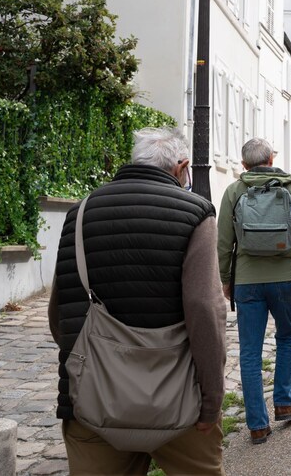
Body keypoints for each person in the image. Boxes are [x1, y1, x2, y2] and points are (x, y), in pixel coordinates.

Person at [48, 127, 227, 475]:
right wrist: (212, 399)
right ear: (182, 167)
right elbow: (205, 311)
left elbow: (60, 311)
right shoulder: (196, 213)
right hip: (180, 400)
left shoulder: (80, 212)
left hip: (93, 401)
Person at [217, 137, 291, 444]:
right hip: (284, 277)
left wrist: (225, 279)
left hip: (247, 281)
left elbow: (223, 241)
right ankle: (284, 402)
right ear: (271, 159)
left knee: (249, 352)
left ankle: (257, 424)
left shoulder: (234, 190)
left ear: (243, 165)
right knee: (286, 337)